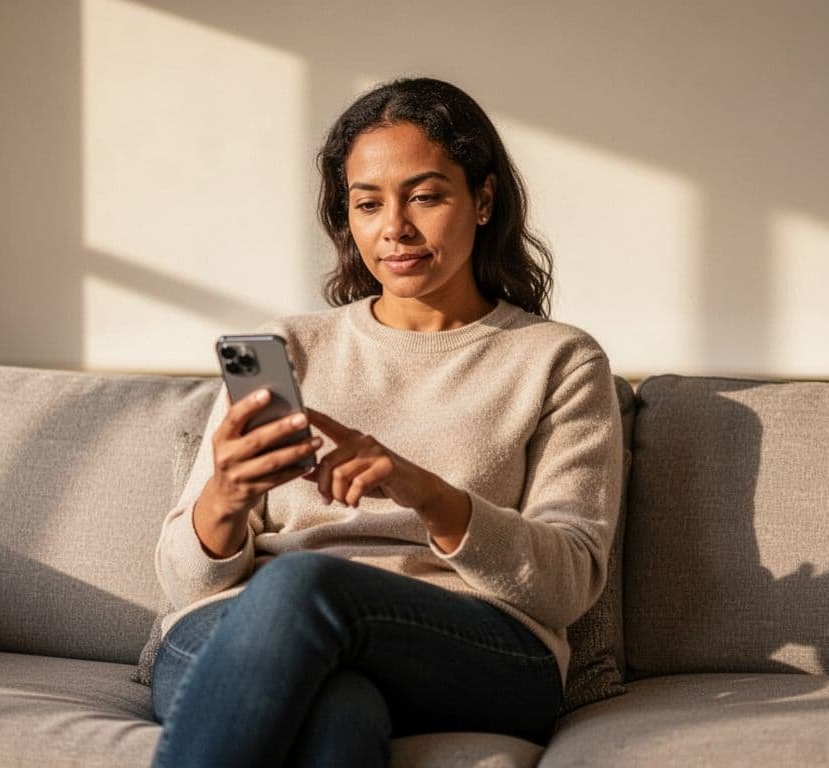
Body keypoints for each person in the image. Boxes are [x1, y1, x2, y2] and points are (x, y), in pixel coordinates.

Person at [149, 77, 623, 767]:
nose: (393, 228)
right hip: (252, 632)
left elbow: (568, 582)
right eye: (367, 204)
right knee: (341, 711)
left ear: (484, 199)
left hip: (473, 647)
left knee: (303, 585)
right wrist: (224, 497)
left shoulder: (557, 359)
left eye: (425, 196)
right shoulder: (289, 347)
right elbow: (186, 587)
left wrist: (426, 493)